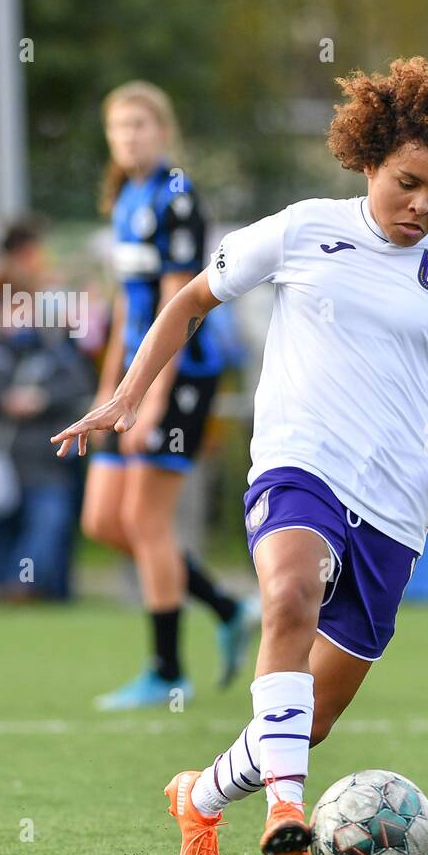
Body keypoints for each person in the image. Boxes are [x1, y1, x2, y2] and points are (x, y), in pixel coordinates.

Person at [52, 57, 428, 855]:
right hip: (299, 463)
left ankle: (200, 794)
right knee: (290, 592)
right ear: (369, 158)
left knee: (316, 717)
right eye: (408, 182)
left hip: (398, 503)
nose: (421, 205)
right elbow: (190, 299)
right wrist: (127, 397)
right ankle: (285, 811)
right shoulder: (303, 227)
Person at [81, 81, 259, 709]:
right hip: (132, 375)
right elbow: (124, 306)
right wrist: (111, 385)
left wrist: (149, 396)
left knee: (144, 519)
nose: (129, 136)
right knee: (103, 518)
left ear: (163, 131)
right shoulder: (124, 197)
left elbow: (179, 302)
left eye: (140, 125)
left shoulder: (177, 195)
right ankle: (226, 605)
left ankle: (166, 671)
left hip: (181, 374)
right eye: (118, 127)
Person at [0, 219, 93, 601]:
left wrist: (41, 399)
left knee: (49, 525)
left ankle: (25, 591)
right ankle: (9, 595)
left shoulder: (52, 347)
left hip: (45, 459)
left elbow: (78, 383)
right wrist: (3, 398)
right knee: (1, 534)